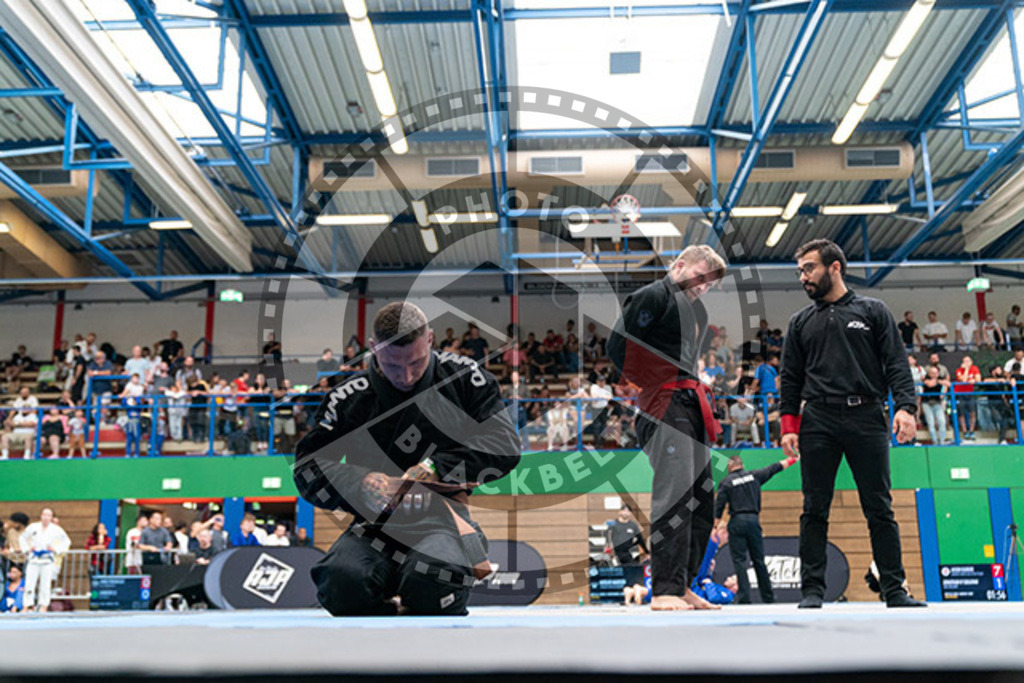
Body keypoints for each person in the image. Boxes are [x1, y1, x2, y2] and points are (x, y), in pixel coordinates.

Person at [292, 301, 520, 616]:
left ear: (430, 340)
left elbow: (505, 444)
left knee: (433, 580)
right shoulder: (347, 398)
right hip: (374, 526)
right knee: (341, 586)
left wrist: (437, 466)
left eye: (416, 362)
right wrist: (360, 483)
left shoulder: (466, 379)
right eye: (393, 365)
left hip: (442, 520)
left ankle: (420, 590)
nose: (408, 376)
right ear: (373, 349)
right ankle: (389, 601)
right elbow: (307, 467)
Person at [780, 239, 925, 608]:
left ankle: (894, 589)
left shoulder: (872, 310)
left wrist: (906, 408)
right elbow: (791, 378)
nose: (803, 277)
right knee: (814, 507)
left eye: (809, 268)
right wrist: (788, 425)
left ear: (835, 268)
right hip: (818, 419)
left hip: (867, 416)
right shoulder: (800, 323)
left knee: (879, 506)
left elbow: (896, 362)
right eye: (800, 271)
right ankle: (812, 590)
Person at [608, 245, 727, 611]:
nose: (703, 287)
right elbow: (618, 345)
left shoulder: (696, 309)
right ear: (679, 266)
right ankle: (663, 589)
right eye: (701, 277)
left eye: (710, 284)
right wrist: (650, 381)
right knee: (674, 495)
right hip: (663, 404)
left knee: (703, 497)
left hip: (690, 404)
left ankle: (683, 584)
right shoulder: (653, 295)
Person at [713, 454, 797, 604]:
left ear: (729, 467)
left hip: (737, 521)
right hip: (753, 521)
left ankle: (745, 599)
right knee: (759, 561)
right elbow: (775, 468)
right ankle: (768, 598)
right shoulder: (755, 476)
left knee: (739, 561)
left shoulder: (726, 482)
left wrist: (715, 526)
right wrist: (793, 459)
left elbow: (718, 507)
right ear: (742, 465)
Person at [19, 508, 70, 612]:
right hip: (34, 558)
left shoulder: (56, 529)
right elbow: (22, 538)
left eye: (48, 515)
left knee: (45, 585)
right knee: (29, 583)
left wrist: (56, 549)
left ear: (51, 517)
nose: (46, 517)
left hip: (47, 559)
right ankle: (27, 605)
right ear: (41, 516)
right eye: (44, 515)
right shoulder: (33, 527)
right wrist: (27, 549)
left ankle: (43, 606)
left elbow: (66, 541)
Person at [954, 355, 981, 441]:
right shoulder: (959, 370)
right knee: (961, 414)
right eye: (964, 361)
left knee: (972, 413)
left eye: (968, 361)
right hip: (959, 394)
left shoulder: (975, 368)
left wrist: (974, 380)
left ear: (971, 362)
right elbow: (963, 380)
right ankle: (965, 431)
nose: (966, 363)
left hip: (970, 393)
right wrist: (966, 369)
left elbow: (978, 379)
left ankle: (971, 431)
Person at [920, 366, 948, 445]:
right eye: (932, 373)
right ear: (929, 373)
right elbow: (929, 384)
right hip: (927, 403)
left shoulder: (941, 378)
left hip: (937, 403)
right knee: (931, 422)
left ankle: (942, 441)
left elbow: (948, 384)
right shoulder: (926, 378)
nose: (934, 374)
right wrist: (939, 381)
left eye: (936, 373)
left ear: (938, 373)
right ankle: (935, 441)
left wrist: (940, 382)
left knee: (942, 421)